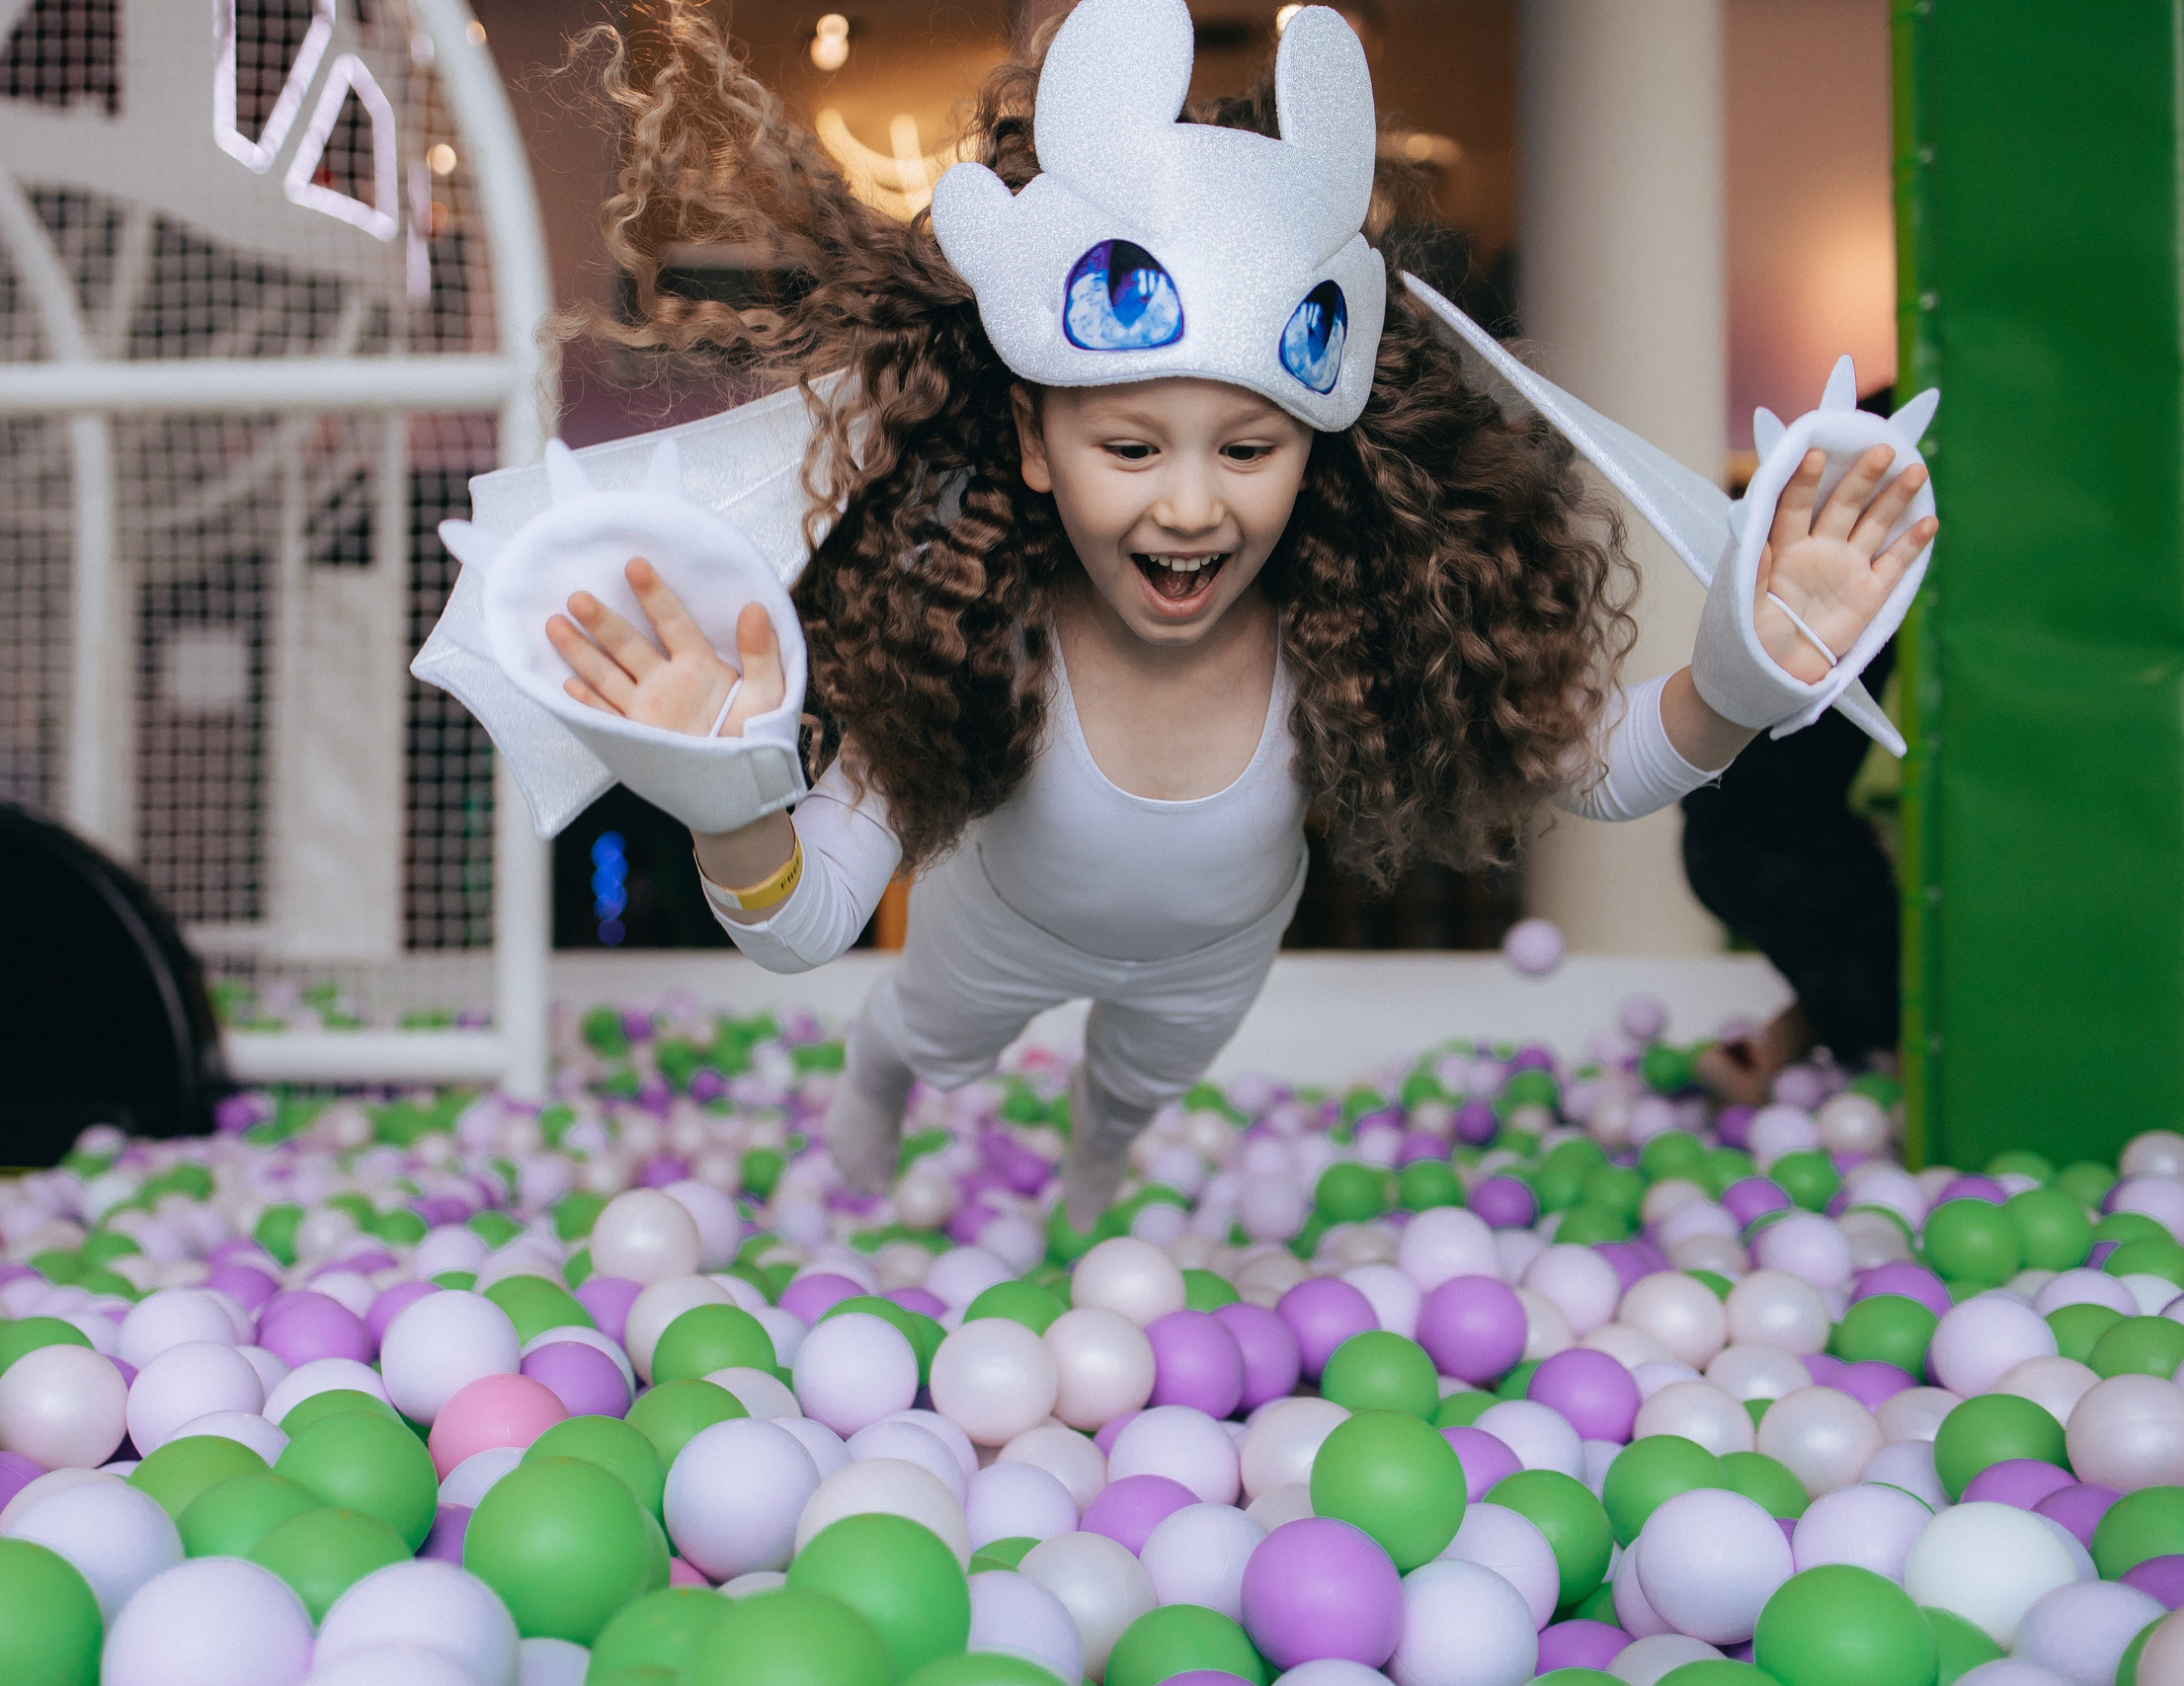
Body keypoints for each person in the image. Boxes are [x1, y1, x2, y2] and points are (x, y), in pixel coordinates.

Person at [428, 0, 1937, 1226]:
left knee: (1134, 1094)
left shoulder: (1351, 641)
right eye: (1131, 447)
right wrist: (732, 800)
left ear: (1317, 449)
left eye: (1250, 448)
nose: (1193, 506)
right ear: (1033, 443)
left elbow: (1599, 762)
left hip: (1212, 958)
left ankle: (1092, 1193)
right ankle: (878, 1099)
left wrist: (1744, 677)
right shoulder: (974, 646)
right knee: (924, 1037)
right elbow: (805, 924)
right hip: (998, 930)